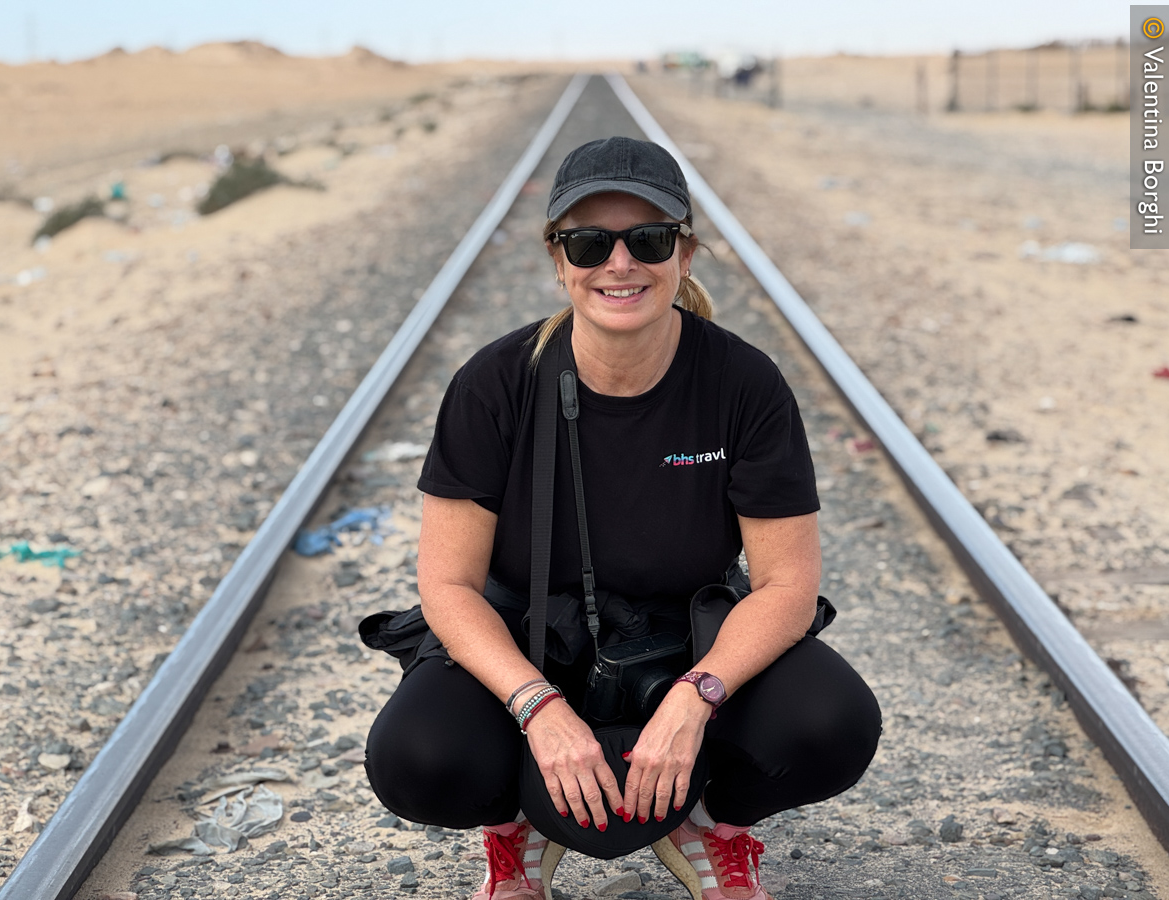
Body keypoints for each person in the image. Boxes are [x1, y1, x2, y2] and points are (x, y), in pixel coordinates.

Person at [364, 136, 881, 900]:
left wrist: (698, 697)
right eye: (588, 243)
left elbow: (786, 586)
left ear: (685, 254)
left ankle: (713, 825)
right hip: (531, 644)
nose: (619, 263)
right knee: (416, 756)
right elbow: (447, 585)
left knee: (832, 721)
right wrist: (537, 706)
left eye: (648, 239)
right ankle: (514, 828)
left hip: (685, 648)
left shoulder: (744, 384)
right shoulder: (494, 385)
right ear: (558, 258)